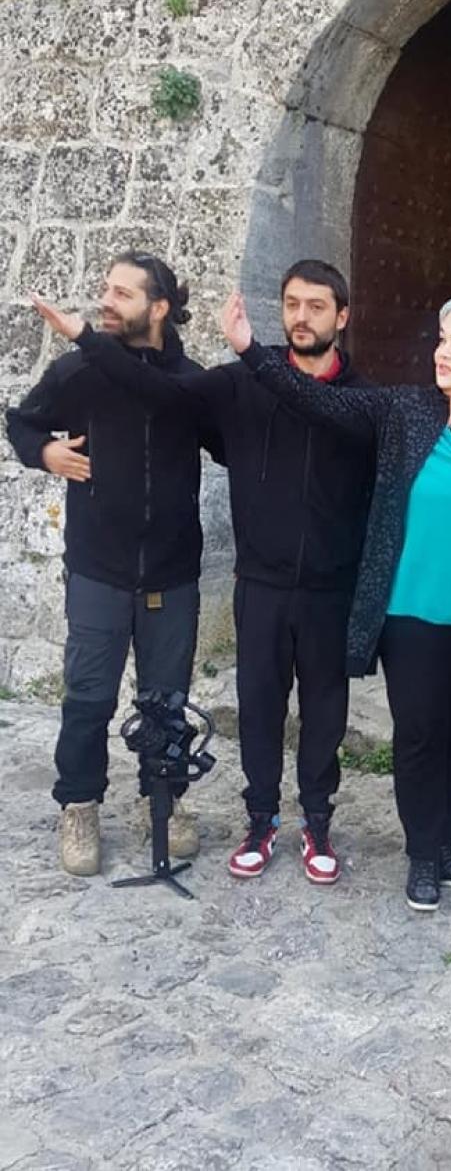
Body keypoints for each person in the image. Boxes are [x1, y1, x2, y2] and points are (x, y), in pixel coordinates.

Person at [32, 260, 374, 886]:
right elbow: (146, 396)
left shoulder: (351, 396)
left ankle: (254, 812)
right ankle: (111, 807)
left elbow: (285, 422)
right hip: (184, 576)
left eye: (316, 306)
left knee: (267, 709)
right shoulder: (215, 383)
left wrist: (252, 363)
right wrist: (56, 420)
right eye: (291, 304)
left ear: (342, 316)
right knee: (131, 701)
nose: (301, 317)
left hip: (274, 581)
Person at [221, 284, 451, 912]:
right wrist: (251, 352)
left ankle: (443, 840)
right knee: (420, 736)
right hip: (412, 614)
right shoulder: (405, 411)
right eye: (442, 340)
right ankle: (423, 853)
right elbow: (316, 400)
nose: (442, 353)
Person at [6, 252, 223, 876]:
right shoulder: (78, 372)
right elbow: (22, 423)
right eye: (106, 288)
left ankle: (165, 800)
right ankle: (79, 804)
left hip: (171, 572)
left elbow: (229, 445)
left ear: (159, 308)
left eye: (122, 293)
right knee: (88, 698)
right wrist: (44, 453)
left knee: (167, 700)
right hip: (98, 568)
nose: (106, 300)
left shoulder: (188, 382)